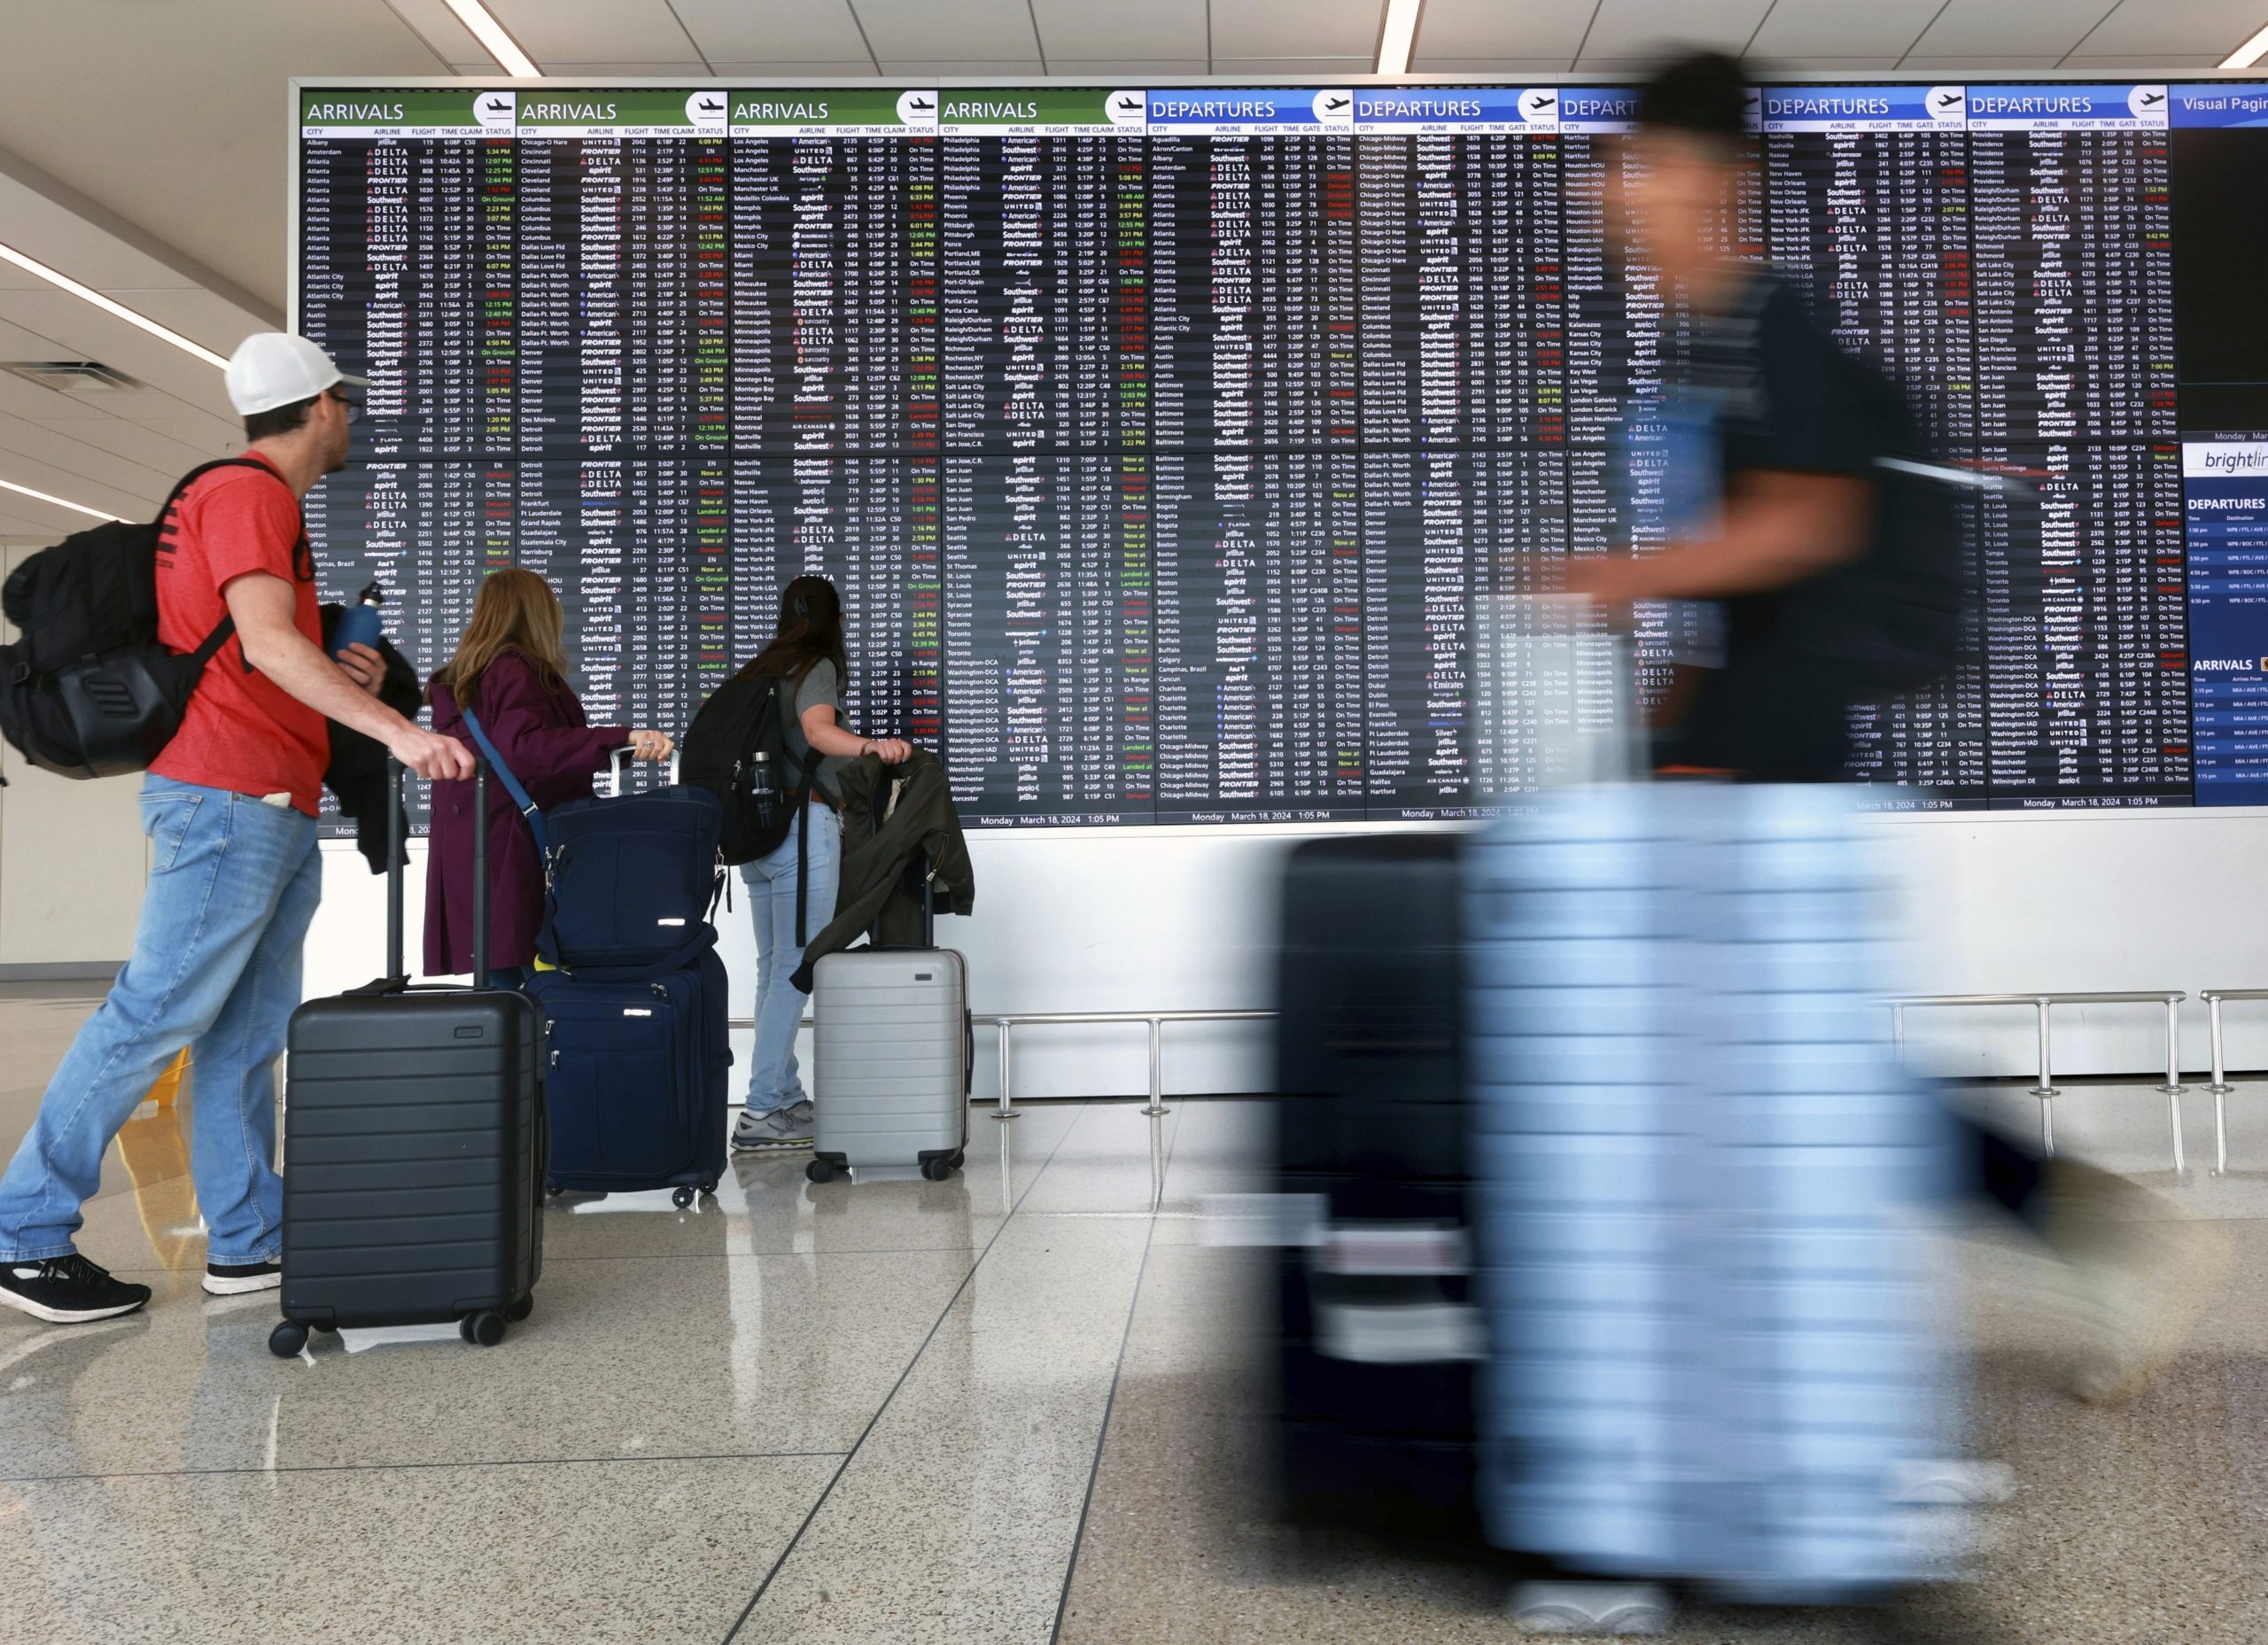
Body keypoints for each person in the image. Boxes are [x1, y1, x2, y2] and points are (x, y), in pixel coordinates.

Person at [1565, 47, 2225, 1413]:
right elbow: (1761, 557)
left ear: (1711, 178)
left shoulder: (1763, 319)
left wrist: (1620, 579)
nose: (1612, 193)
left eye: (1636, 164)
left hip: (1783, 753)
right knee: (1761, 1051)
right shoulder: (1713, 341)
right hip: (1746, 740)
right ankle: (2060, 1237)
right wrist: (1675, 691)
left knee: (1779, 1056)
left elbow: (1814, 520)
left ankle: (2091, 1233)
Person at [0, 332, 473, 1324]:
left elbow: (260, 657)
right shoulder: (247, 493)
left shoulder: (253, 502)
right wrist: (397, 732)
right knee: (156, 1013)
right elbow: (260, 640)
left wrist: (340, 679)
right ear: (321, 407)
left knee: (245, 1034)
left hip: (267, 802)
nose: (352, 419)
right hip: (225, 801)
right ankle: (24, 1232)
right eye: (346, 404)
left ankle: (249, 1239)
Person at [423, 569, 673, 987]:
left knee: (500, 976)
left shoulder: (465, 679)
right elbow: (528, 749)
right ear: (538, 613)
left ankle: (508, 1053)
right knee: (544, 978)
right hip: (514, 843)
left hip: (473, 846)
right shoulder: (514, 669)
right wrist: (621, 738)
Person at [732, 576, 911, 1152]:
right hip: (802, 829)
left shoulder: (761, 669)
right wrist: (871, 746)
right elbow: (817, 730)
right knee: (796, 967)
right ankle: (761, 1107)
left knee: (771, 968)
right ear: (835, 619)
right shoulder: (816, 665)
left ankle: (783, 1096)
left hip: (756, 839)